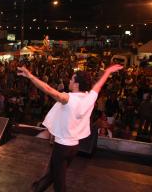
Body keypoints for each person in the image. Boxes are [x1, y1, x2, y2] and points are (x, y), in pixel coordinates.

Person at [17, 64, 123, 192]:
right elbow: (99, 84)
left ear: (77, 84)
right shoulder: (90, 97)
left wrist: (30, 76)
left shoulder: (69, 99)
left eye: (72, 79)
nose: (70, 81)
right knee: (52, 174)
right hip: (73, 147)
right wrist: (108, 72)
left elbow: (48, 89)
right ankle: (36, 189)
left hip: (62, 148)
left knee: (59, 183)